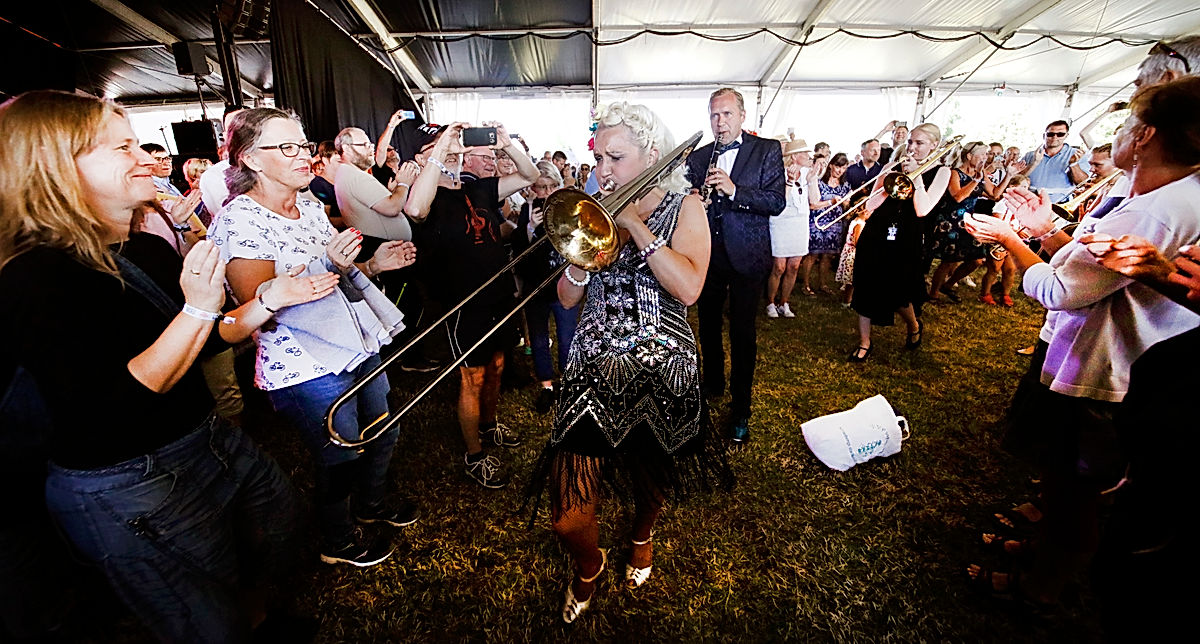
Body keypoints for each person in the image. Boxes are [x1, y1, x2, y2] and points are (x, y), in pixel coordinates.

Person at [0, 90, 313, 641]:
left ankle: (262, 619)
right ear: (55, 166)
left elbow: (202, 342)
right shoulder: (32, 277)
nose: (148, 158)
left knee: (276, 526)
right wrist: (197, 307)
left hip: (203, 437)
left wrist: (263, 304)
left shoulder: (142, 250)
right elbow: (117, 400)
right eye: (122, 148)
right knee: (203, 617)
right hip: (126, 478)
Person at [962, 76, 1200, 606]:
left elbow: (1059, 288)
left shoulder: (1155, 210)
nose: (1117, 133)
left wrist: (1008, 240)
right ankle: (1042, 552)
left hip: (1103, 374)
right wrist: (1047, 231)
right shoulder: (1172, 195)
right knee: (1062, 485)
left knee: (1073, 495)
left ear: (1145, 135)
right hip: (1114, 362)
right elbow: (1097, 269)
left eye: (1126, 122)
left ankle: (1039, 591)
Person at [527, 100, 732, 625]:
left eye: (616, 158)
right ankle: (589, 565)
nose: (603, 171)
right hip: (594, 362)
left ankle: (641, 534)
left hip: (662, 364)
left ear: (653, 155)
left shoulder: (686, 206)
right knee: (568, 519)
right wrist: (579, 262)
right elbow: (567, 301)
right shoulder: (592, 203)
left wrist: (636, 227)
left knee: (650, 480)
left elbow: (688, 287)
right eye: (599, 158)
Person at [209, 107, 420, 568]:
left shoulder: (307, 206)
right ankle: (338, 539)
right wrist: (327, 263)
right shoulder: (240, 219)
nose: (304, 156)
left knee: (385, 429)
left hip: (352, 340)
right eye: (286, 147)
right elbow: (258, 308)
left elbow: (334, 274)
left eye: (302, 145)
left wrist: (371, 266)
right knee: (340, 452)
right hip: (303, 363)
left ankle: (372, 504)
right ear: (250, 159)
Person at [404, 120, 539, 489]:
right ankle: (474, 454)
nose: (453, 150)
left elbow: (529, 174)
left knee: (496, 365)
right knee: (472, 376)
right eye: (445, 145)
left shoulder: (477, 188)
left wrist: (507, 144)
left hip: (497, 294)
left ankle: (489, 424)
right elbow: (415, 210)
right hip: (462, 302)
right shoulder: (426, 194)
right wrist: (440, 150)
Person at [685, 87, 786, 444]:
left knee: (743, 334)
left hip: (748, 255)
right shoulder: (698, 158)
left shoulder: (767, 150)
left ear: (743, 116)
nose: (720, 122)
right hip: (708, 255)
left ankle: (741, 408)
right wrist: (693, 202)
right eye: (714, 115)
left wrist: (734, 191)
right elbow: (686, 203)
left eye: (727, 114)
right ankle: (713, 384)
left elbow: (776, 202)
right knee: (708, 326)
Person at [848, 123, 951, 362]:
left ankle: (914, 325)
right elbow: (870, 206)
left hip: (907, 237)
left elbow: (923, 209)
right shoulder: (891, 166)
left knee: (899, 291)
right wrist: (887, 177)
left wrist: (915, 178)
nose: (912, 147)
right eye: (910, 142)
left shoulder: (942, 172)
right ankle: (865, 342)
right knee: (865, 284)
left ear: (934, 145)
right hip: (877, 232)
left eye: (919, 143)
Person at [512, 162, 578, 413]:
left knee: (567, 338)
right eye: (542, 187)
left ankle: (569, 383)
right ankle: (547, 386)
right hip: (535, 286)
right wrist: (530, 227)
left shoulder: (567, 208)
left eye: (553, 186)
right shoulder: (527, 210)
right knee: (539, 340)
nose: (548, 192)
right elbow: (519, 250)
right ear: (533, 188)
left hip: (563, 285)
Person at [926, 142, 998, 303]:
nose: (985, 159)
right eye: (982, 155)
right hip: (950, 220)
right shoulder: (954, 173)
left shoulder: (981, 174)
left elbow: (995, 194)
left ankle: (948, 285)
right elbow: (957, 196)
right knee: (948, 260)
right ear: (969, 156)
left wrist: (1009, 174)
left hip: (967, 221)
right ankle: (933, 294)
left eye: (986, 155)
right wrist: (975, 181)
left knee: (976, 260)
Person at [765, 138, 812, 318]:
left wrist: (814, 177)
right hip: (781, 221)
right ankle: (770, 302)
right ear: (794, 157)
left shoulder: (808, 174)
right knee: (779, 266)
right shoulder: (778, 173)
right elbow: (779, 202)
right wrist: (790, 181)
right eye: (804, 153)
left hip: (800, 222)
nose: (808, 156)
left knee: (794, 266)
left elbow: (813, 201)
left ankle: (784, 302)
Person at [804, 152, 851, 295]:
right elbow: (812, 204)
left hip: (835, 224)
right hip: (817, 222)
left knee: (827, 256)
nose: (840, 171)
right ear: (831, 165)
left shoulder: (845, 185)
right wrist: (831, 201)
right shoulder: (819, 182)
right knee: (812, 255)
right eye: (838, 166)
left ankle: (822, 284)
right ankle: (805, 284)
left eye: (843, 168)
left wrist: (846, 202)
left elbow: (846, 208)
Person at [1022, 119, 1088, 203]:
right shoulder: (1030, 155)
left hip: (1059, 204)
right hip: (1029, 201)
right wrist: (1033, 164)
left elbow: (1082, 183)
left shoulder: (1076, 154)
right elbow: (1015, 180)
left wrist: (1073, 164)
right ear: (1044, 135)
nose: (1055, 137)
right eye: (1050, 134)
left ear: (1066, 135)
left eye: (1060, 134)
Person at [837, 206, 868, 306]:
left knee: (851, 279)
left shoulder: (855, 221)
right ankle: (847, 300)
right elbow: (857, 241)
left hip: (849, 251)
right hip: (853, 253)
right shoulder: (860, 224)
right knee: (851, 279)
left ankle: (849, 298)